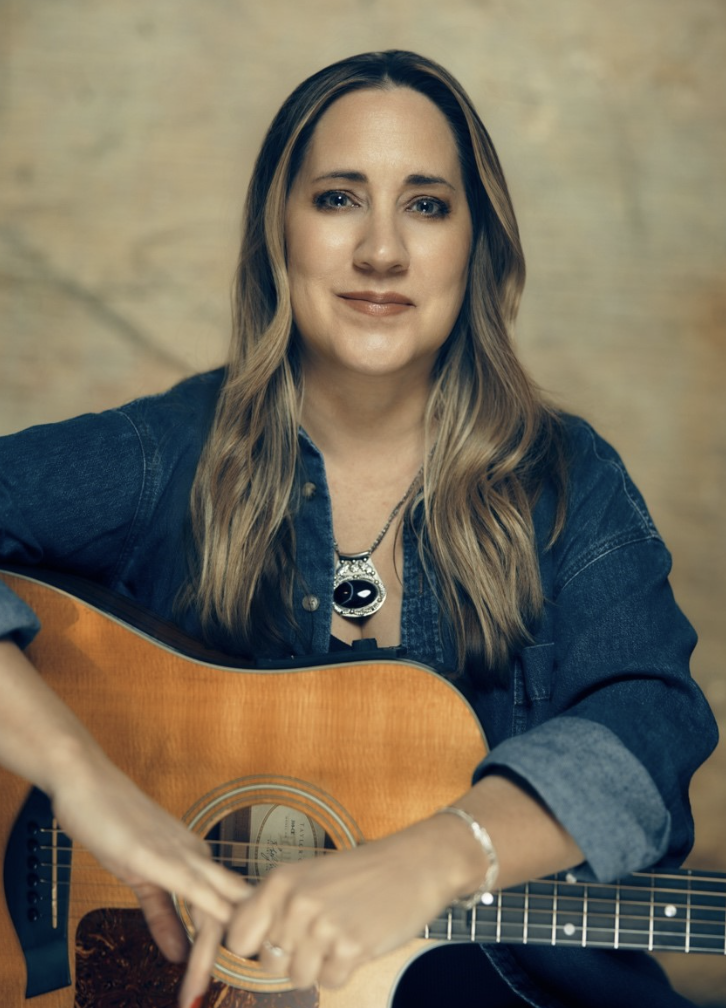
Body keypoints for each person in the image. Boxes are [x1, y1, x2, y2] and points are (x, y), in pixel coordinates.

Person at [0, 50, 717, 1008]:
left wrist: (436, 856)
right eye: (338, 198)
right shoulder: (163, 454)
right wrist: (85, 784)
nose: (382, 251)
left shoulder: (564, 479)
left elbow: (650, 724)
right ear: (279, 232)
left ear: (476, 243)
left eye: (427, 205)